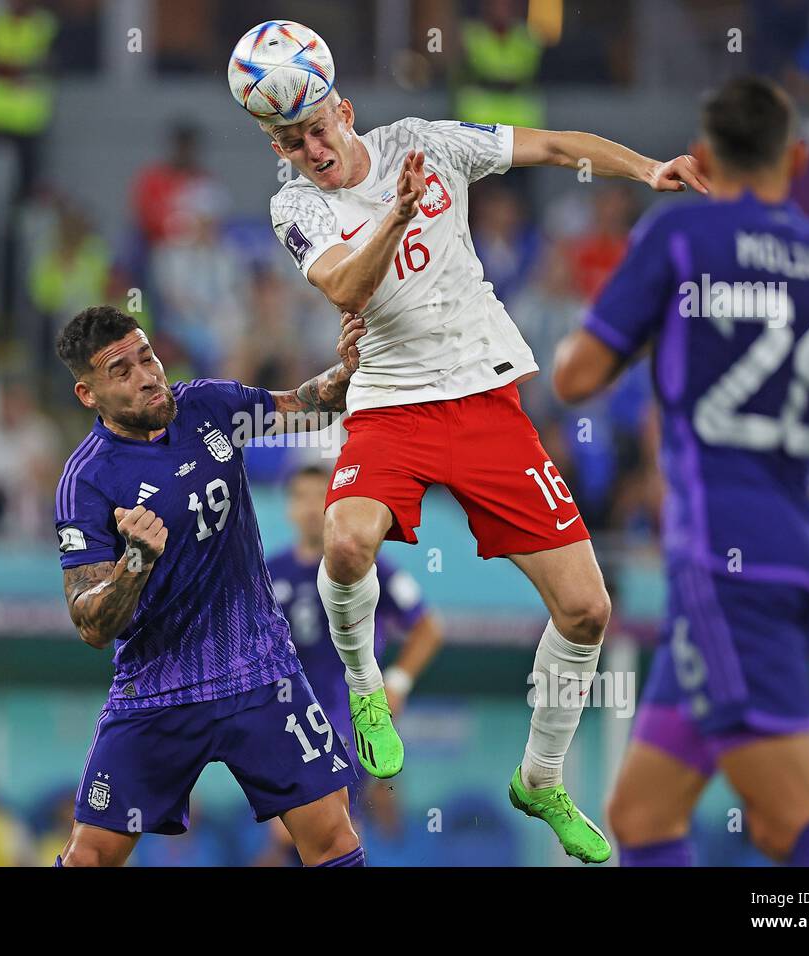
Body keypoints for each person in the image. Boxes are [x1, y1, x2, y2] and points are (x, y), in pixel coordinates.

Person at [252, 24, 706, 862]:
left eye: (317, 127)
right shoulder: (295, 205)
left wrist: (647, 169)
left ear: (344, 110)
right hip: (389, 402)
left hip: (485, 398)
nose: (310, 149)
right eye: (289, 140)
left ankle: (540, 779)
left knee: (588, 607)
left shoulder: (424, 142)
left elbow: (552, 142)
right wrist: (393, 213)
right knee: (346, 545)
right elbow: (347, 284)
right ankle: (365, 689)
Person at [553, 75, 809, 866]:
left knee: (793, 818)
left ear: (700, 159)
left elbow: (574, 379)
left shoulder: (680, 239)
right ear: (796, 160)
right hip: (794, 553)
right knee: (643, 815)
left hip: (724, 560)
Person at [52, 304, 370, 867]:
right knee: (88, 858)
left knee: (334, 839)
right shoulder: (87, 482)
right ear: (88, 395)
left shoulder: (207, 406)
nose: (147, 374)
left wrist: (346, 372)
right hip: (157, 690)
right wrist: (134, 563)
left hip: (259, 669)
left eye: (146, 357)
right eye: (121, 371)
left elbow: (307, 406)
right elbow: (89, 624)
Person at [259, 464, 443, 864]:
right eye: (301, 497)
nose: (311, 507)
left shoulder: (366, 565)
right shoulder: (269, 574)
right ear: (289, 508)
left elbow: (428, 627)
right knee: (292, 837)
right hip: (290, 722)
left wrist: (397, 681)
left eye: (319, 497)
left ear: (334, 505)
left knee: (334, 832)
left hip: (350, 716)